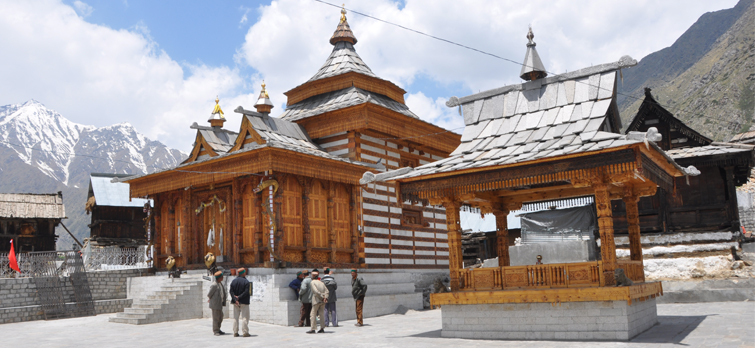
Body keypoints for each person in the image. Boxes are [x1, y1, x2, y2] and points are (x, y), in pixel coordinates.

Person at [229, 268, 251, 337]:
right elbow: (246, 292)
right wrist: (239, 297)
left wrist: (235, 299)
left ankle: (235, 332)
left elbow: (231, 291)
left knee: (235, 317)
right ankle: (245, 332)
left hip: (236, 303)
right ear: (243, 273)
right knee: (245, 317)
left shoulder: (233, 281)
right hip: (244, 302)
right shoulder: (246, 282)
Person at [208, 270, 227, 336]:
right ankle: (216, 330)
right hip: (215, 304)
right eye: (222, 276)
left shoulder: (220, 283)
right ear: (219, 278)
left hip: (219, 303)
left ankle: (218, 328)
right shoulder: (214, 285)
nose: (223, 278)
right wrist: (210, 299)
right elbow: (209, 294)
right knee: (216, 318)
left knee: (220, 317)